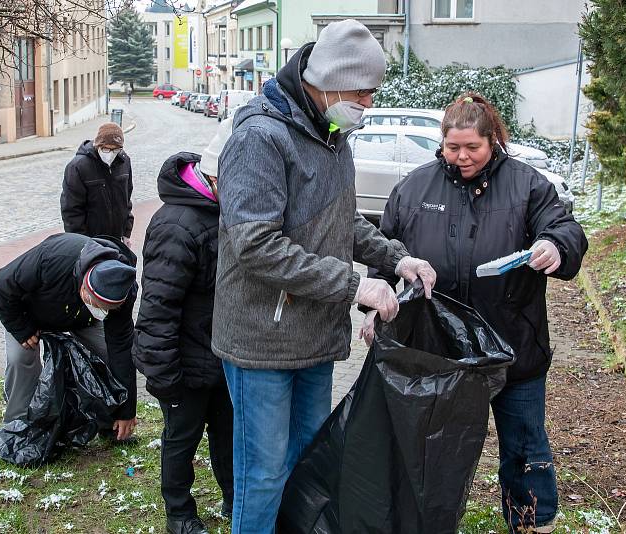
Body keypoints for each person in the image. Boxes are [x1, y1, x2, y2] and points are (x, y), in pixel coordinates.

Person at [212, 19, 437, 532]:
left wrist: (395, 257)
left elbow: (344, 220)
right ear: (329, 79)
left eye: (373, 92)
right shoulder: (261, 138)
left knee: (308, 460)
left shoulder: (334, 135)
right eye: (362, 91)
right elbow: (255, 245)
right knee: (264, 473)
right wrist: (355, 285)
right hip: (260, 344)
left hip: (314, 335)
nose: (368, 103)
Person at [361, 93, 588, 533]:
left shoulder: (527, 185)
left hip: (513, 347)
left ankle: (530, 522)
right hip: (436, 354)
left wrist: (555, 246)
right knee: (430, 451)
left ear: (493, 141)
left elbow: (565, 228)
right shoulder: (414, 188)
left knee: (524, 449)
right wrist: (375, 304)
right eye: (453, 148)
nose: (462, 157)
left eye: (473, 148)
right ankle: (426, 522)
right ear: (441, 144)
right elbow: (383, 252)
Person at [133, 117, 235, 534]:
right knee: (181, 440)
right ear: (215, 175)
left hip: (222, 356)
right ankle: (179, 513)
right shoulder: (177, 223)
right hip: (184, 363)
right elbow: (157, 307)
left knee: (228, 438)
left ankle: (235, 501)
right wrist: (165, 377)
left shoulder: (221, 210)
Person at [0, 232, 139, 442]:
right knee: (20, 359)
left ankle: (110, 424)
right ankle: (17, 426)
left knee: (107, 353)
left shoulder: (122, 289)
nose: (103, 312)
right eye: (98, 306)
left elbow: (122, 348)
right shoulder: (53, 257)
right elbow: (3, 285)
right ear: (85, 289)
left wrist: (126, 411)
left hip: (80, 318)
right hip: (28, 314)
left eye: (108, 309)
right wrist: (20, 328)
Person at [60, 122, 135, 247]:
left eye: (116, 149)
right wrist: (81, 243)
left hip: (116, 239)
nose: (110, 153)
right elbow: (71, 210)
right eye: (106, 149)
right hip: (91, 240)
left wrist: (127, 231)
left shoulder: (124, 161)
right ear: (98, 145)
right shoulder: (78, 166)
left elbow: (126, 200)